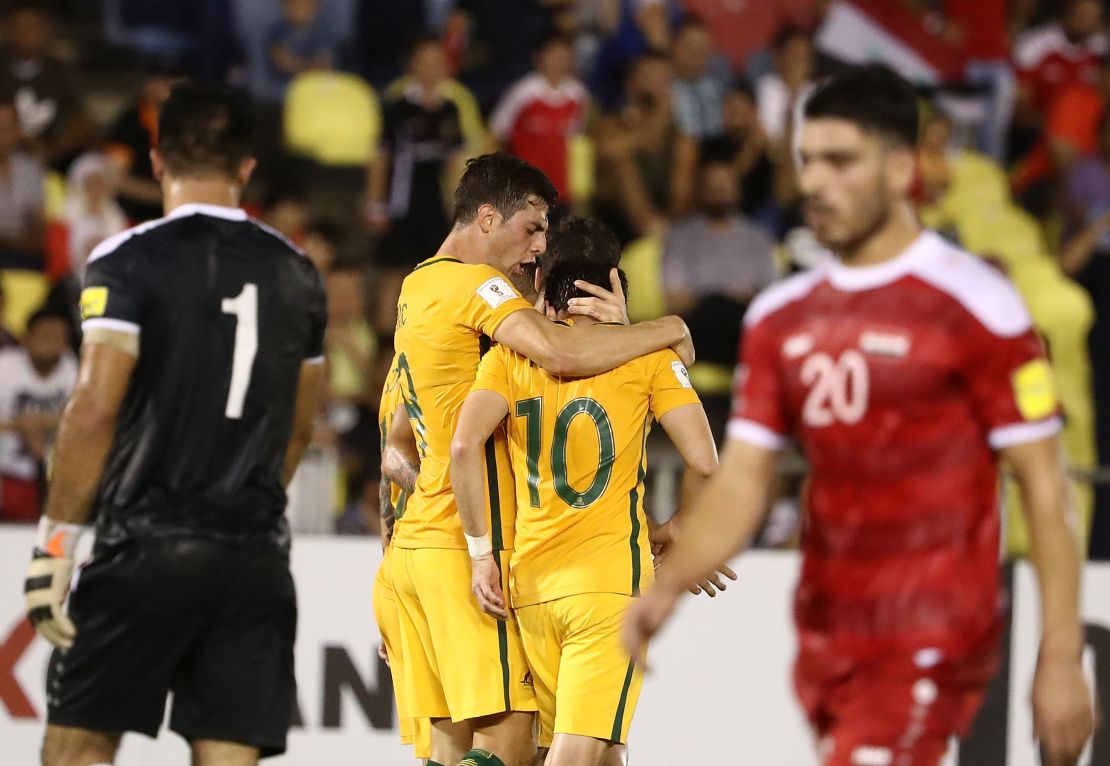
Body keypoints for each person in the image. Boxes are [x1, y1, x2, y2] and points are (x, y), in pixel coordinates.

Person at [623, 65, 1095, 766]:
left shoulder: (979, 305)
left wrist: (1061, 654)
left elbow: (1047, 489)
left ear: (902, 167)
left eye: (841, 161)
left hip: (931, 626)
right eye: (809, 161)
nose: (816, 183)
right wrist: (666, 588)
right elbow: (744, 479)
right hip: (828, 631)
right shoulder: (782, 317)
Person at [22, 82, 327, 766]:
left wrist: (56, 545)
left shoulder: (126, 261)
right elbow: (299, 428)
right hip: (252, 555)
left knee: (75, 752)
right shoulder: (299, 273)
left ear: (157, 163)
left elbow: (94, 406)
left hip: (146, 546)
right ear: (246, 167)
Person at [381, 152, 693, 766]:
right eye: (531, 229)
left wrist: (393, 555)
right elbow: (558, 352)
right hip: (468, 555)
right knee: (515, 749)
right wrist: (665, 331)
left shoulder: (416, 287)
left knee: (454, 755)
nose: (536, 248)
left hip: (415, 553)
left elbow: (396, 437)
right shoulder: (478, 286)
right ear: (488, 217)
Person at [450, 220, 726, 766]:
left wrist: (481, 553)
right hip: (607, 589)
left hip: (530, 585)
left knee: (603, 751)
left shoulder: (509, 357)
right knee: (579, 754)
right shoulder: (649, 358)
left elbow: (464, 447)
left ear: (545, 281)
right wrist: (678, 529)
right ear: (617, 285)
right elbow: (704, 461)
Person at [372, 353, 433, 761]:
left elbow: (387, 475)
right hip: (444, 557)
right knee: (506, 742)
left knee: (440, 745)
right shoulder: (458, 358)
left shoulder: (401, 365)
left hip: (400, 560)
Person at [490, 33, 589, 206]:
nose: (559, 60)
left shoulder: (578, 95)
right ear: (539, 57)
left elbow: (577, 139)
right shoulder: (522, 93)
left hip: (562, 190)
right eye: (553, 54)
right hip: (524, 189)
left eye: (564, 55)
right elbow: (496, 134)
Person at [0, 308, 75, 523]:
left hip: (54, 477)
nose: (50, 344)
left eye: (58, 338)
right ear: (26, 338)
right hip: (7, 472)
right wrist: (21, 427)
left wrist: (39, 423)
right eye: (44, 336)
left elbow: (84, 419)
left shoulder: (71, 368)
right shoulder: (5, 366)